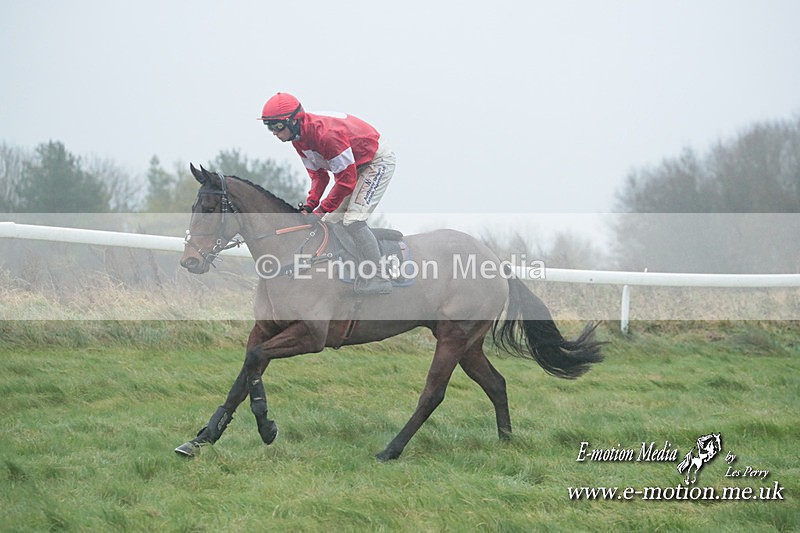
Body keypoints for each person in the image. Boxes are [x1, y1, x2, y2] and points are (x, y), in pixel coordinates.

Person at [260, 92, 395, 295]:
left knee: (353, 220)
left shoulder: (326, 136)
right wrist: (310, 205)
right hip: (354, 165)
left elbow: (346, 182)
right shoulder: (299, 139)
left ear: (293, 121)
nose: (274, 133)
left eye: (277, 126)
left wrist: (321, 209)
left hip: (376, 161)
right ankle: (350, 269)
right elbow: (319, 177)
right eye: (269, 127)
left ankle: (378, 276)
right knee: (331, 222)